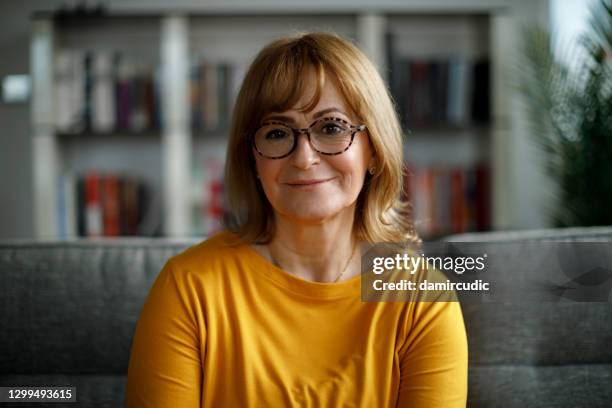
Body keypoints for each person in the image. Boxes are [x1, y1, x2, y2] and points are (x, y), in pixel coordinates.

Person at [125, 31, 468, 407]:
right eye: (276, 132)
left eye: (332, 128)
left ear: (374, 150)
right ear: (253, 160)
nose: (304, 157)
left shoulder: (423, 299)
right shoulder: (189, 287)